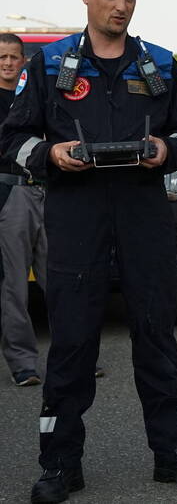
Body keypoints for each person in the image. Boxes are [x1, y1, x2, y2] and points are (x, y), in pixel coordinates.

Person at [0, 0, 177, 504]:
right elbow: (11, 140)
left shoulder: (161, 65)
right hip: (76, 219)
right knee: (72, 342)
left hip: (145, 217)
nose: (121, 6)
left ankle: (175, 454)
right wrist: (53, 154)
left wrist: (169, 149)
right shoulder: (48, 66)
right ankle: (59, 465)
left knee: (156, 335)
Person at [0, 33, 47, 387]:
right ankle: (23, 363)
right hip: (12, 195)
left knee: (61, 280)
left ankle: (72, 356)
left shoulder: (36, 96)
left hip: (50, 193)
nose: (8, 63)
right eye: (2, 57)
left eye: (15, 57)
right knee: (14, 284)